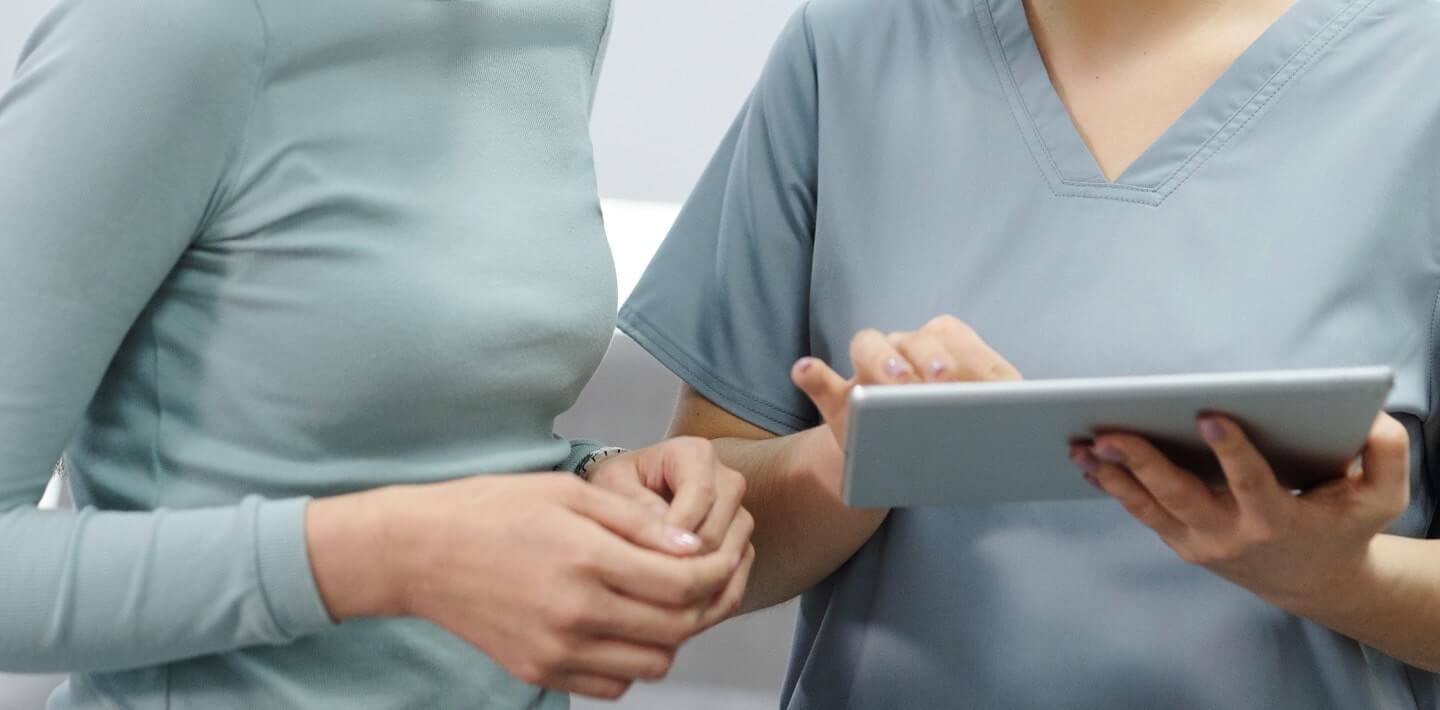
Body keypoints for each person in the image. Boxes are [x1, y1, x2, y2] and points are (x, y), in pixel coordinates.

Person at [618, 0, 1440, 707]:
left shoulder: (1417, 77)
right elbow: (703, 520)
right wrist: (854, 463)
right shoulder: (848, 49)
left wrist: (1339, 579)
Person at [0, 0, 754, 707]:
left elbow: (443, 423)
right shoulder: (166, 27)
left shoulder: (563, 16)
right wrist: (391, 557)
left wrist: (595, 486)